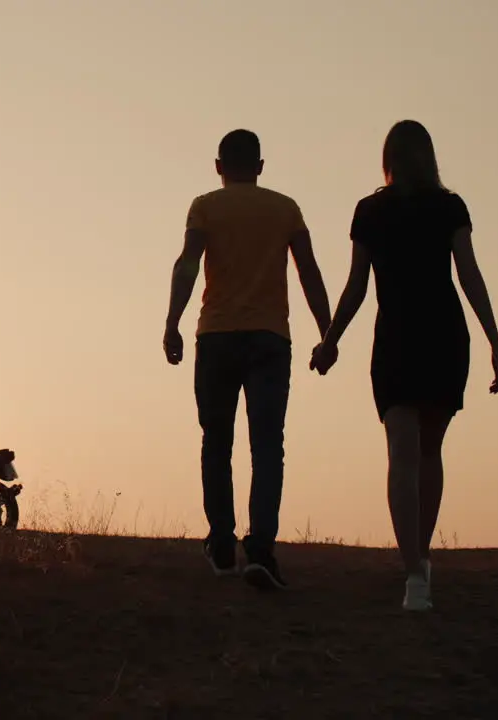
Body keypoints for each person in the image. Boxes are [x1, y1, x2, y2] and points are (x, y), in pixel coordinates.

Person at [310, 119, 498, 611]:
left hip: (396, 337)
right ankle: (419, 560)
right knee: (428, 451)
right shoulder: (449, 207)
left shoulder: (370, 211)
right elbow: (469, 275)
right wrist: (495, 343)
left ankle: (415, 573)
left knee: (401, 451)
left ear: (388, 160)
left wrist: (330, 341)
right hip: (444, 334)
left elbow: (356, 286)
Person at [164, 129, 332, 590]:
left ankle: (221, 541)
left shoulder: (205, 206)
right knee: (267, 447)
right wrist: (328, 333)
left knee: (216, 442)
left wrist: (172, 322)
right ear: (260, 166)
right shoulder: (285, 208)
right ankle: (260, 550)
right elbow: (309, 272)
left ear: (218, 166)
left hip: (216, 336)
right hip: (269, 339)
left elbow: (187, 265)